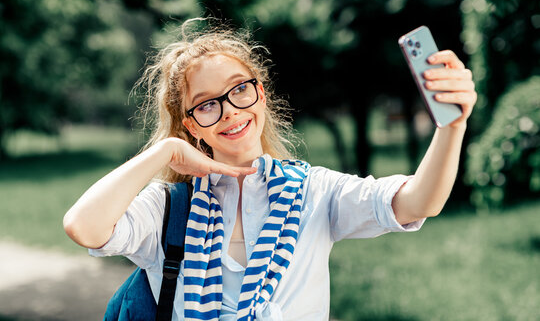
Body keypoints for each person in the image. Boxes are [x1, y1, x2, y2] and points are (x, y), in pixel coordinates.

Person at [63, 18, 476, 321]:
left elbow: (419, 201)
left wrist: (451, 126)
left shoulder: (315, 191)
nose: (229, 112)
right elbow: (84, 226)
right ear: (190, 124)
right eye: (207, 104)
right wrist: (164, 152)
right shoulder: (169, 208)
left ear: (260, 93)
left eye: (239, 89)